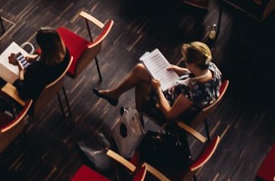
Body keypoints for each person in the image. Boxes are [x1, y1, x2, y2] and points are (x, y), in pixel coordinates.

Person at [94, 41, 223, 124]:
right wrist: (179, 69)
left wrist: (158, 89)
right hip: (175, 89)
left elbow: (169, 114)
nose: (183, 61)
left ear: (193, 65)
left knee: (140, 80)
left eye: (185, 61)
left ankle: (140, 114)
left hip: (169, 109)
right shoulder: (212, 68)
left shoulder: (191, 91)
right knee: (140, 69)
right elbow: (194, 74)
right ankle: (114, 95)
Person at [0, 28, 71, 109]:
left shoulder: (36, 70)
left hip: (31, 99)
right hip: (48, 85)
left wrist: (21, 70)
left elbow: (23, 93)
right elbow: (50, 56)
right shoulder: (66, 54)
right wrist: (35, 57)